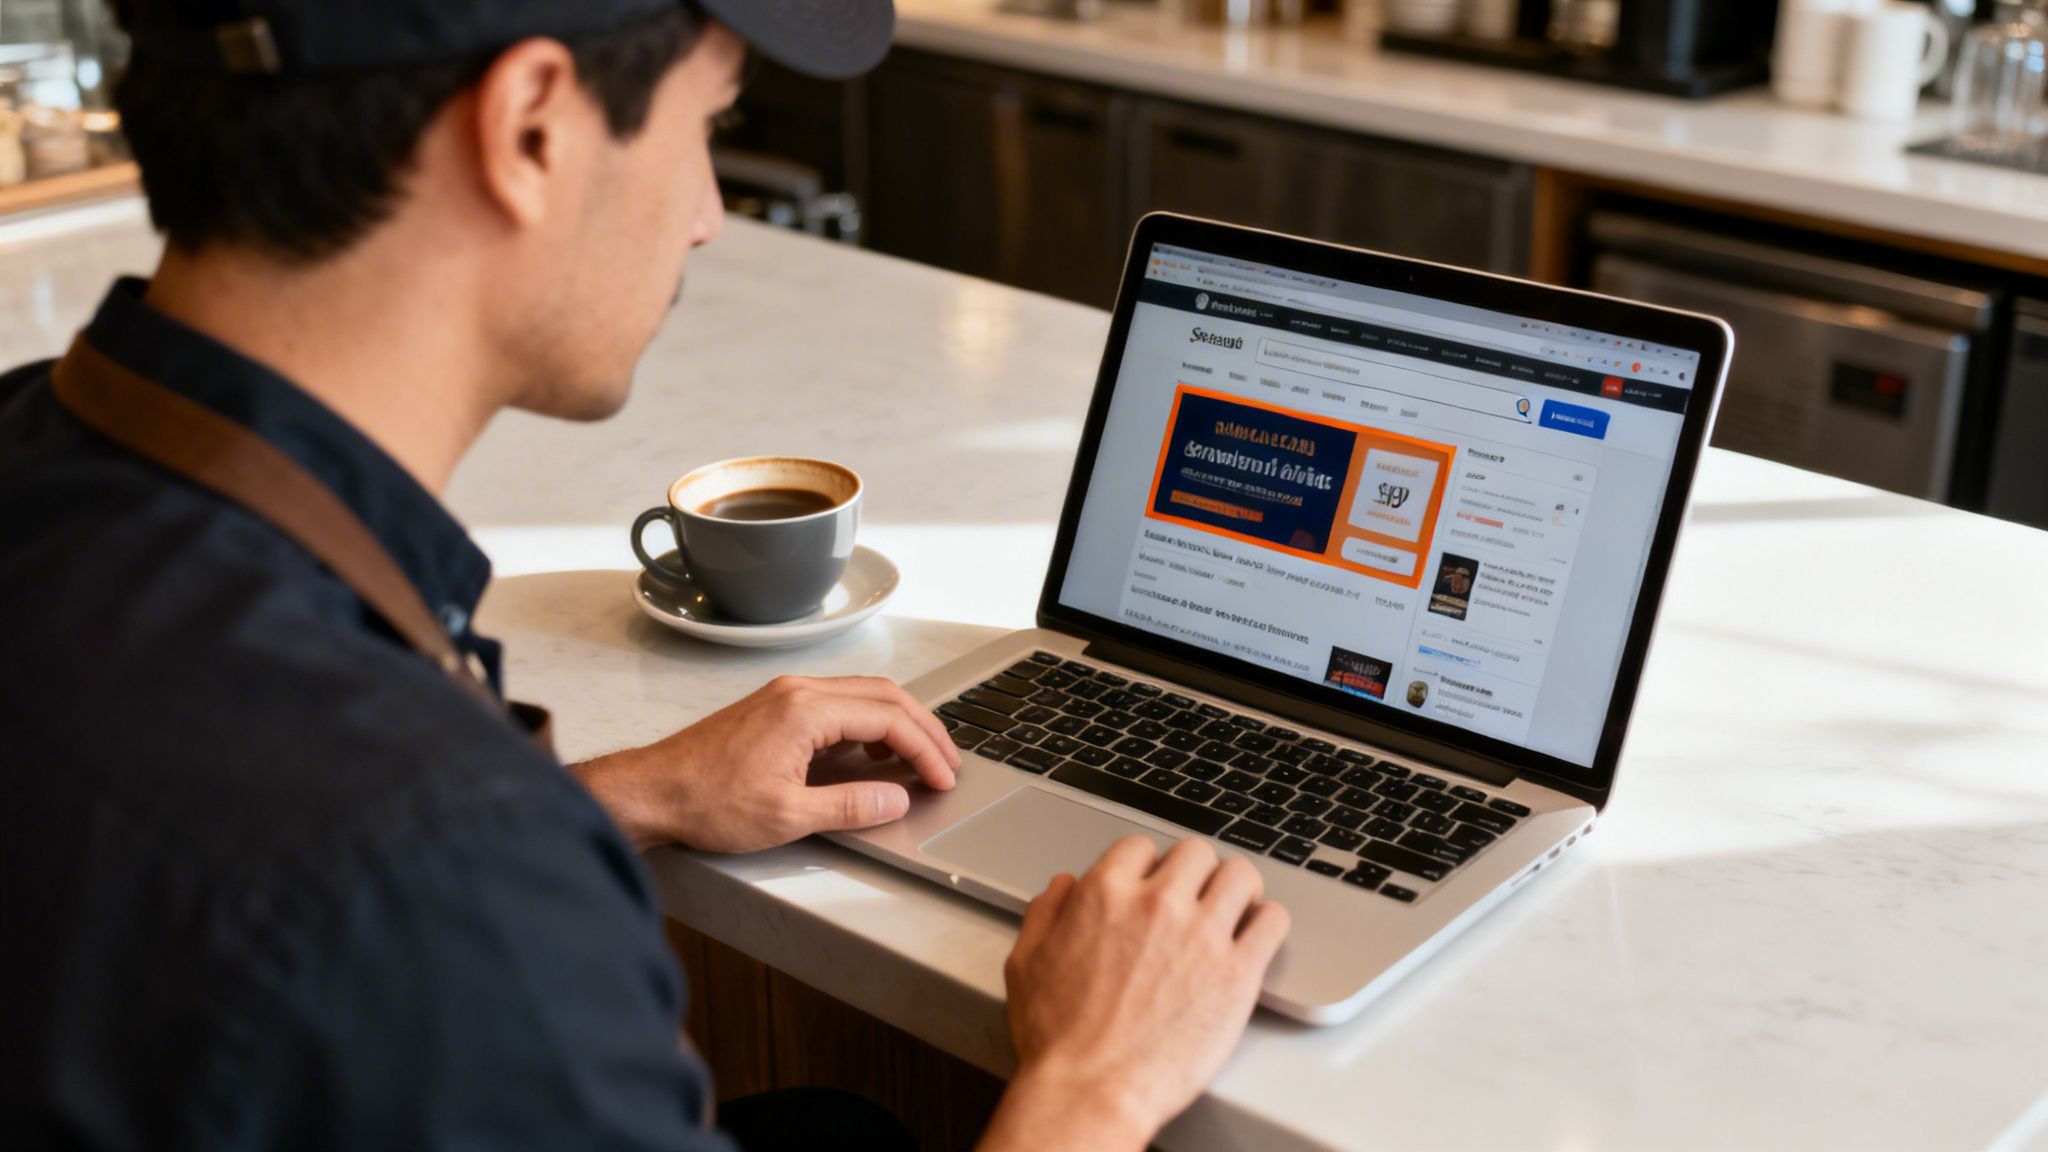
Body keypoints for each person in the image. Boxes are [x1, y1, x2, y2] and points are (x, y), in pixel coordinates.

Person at [0, 2, 1292, 1149]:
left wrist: (621, 794)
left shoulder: (40, 461)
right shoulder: (441, 883)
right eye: (708, 128)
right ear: (533, 126)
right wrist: (1098, 1088)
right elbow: (376, 881)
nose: (708, 214)